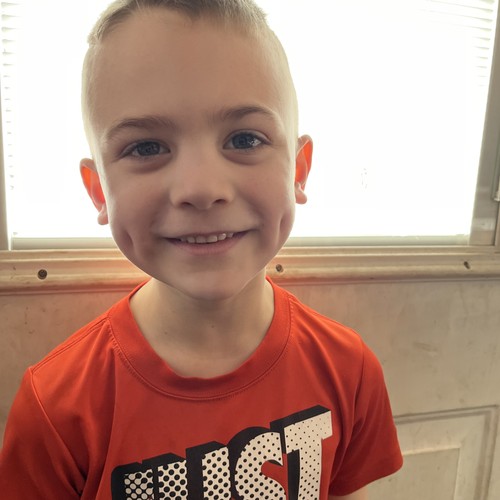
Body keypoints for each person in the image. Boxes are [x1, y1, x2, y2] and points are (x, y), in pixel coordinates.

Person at [0, 0, 403, 498]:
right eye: (147, 147)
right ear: (100, 191)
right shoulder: (54, 409)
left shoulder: (349, 370)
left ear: (298, 170)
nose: (201, 188)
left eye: (245, 139)